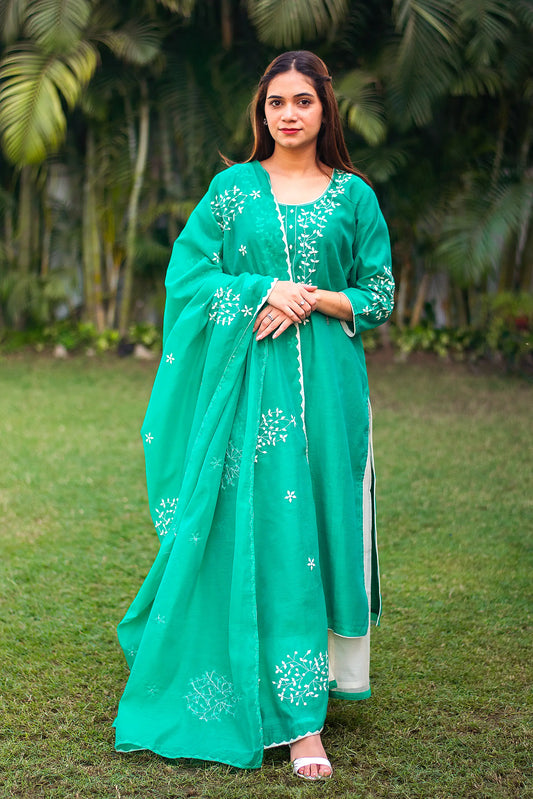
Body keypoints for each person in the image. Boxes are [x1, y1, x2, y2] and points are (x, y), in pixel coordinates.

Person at [113, 50, 394, 782]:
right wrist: (263, 287)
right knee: (264, 531)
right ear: (261, 112)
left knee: (319, 528)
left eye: (303, 100)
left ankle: (308, 706)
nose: (290, 114)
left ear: (325, 109)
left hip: (332, 394)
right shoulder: (233, 190)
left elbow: (379, 293)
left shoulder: (354, 196)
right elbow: (190, 273)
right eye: (277, 103)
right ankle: (293, 721)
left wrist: (312, 297)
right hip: (249, 392)